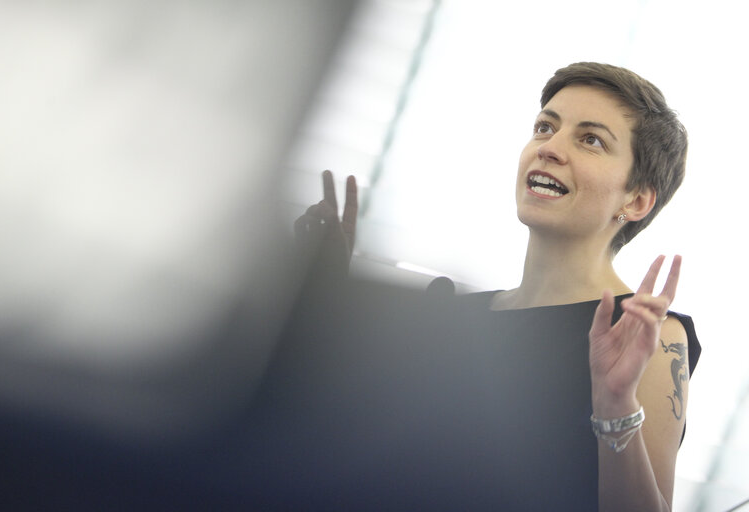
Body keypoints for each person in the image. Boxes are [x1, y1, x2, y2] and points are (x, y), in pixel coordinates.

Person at [294, 62, 699, 511]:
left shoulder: (650, 335)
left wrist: (615, 406)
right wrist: (319, 300)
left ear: (637, 199)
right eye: (545, 127)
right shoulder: (447, 314)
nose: (549, 148)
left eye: (590, 140)